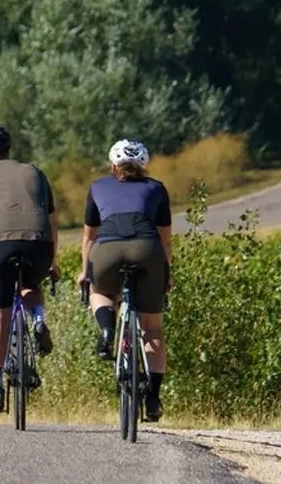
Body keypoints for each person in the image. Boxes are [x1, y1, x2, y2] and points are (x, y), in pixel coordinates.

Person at [0, 125, 59, 415]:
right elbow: (51, 221)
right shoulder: (37, 173)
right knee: (31, 284)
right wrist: (52, 259)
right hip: (40, 246)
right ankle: (38, 318)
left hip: (1, 249)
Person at [81, 138, 173, 423]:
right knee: (153, 329)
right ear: (144, 166)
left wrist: (86, 273)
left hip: (107, 249)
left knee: (99, 291)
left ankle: (107, 329)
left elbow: (89, 237)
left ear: (113, 165)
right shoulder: (157, 188)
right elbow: (166, 239)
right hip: (148, 249)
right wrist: (166, 275)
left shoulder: (97, 187)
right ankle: (154, 397)